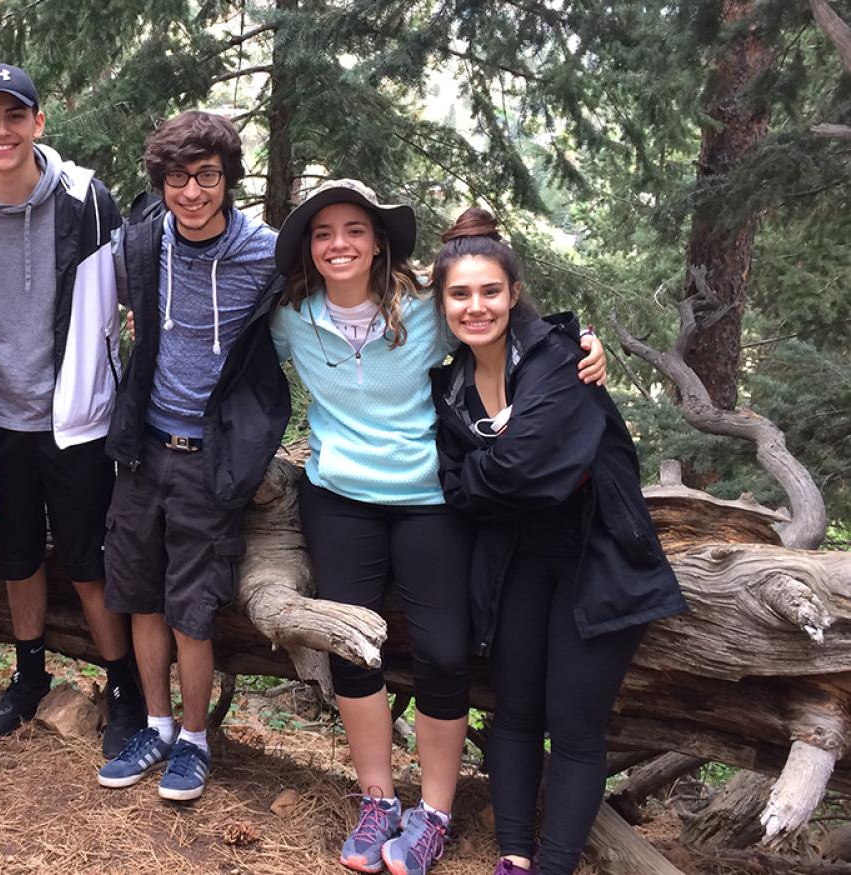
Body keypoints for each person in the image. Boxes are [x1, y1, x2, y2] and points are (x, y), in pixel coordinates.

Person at [270, 180, 607, 875]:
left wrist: (585, 344)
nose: (340, 243)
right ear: (309, 245)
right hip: (338, 498)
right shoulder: (290, 316)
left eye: (355, 229)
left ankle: (435, 813)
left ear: (378, 240)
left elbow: (502, 318)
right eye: (325, 231)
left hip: (433, 498)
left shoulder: (425, 304)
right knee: (352, 647)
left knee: (447, 652)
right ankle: (377, 800)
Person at [429, 209, 685, 875]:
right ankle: (514, 855)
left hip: (598, 558)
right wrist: (498, 469)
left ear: (514, 293)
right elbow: (462, 487)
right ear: (442, 302)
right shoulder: (451, 384)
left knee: (573, 724)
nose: (475, 305)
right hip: (515, 560)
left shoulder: (560, 359)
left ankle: (555, 864)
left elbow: (528, 475)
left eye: (490, 291)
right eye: (460, 293)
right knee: (513, 709)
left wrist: (489, 472)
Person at [0, 63, 145, 756]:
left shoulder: (88, 202)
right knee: (15, 557)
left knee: (87, 561)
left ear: (39, 123)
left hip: (78, 417)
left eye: (15, 115)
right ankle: (29, 675)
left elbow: (137, 289)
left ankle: (125, 686)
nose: (1, 130)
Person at [96, 111, 289, 802]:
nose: (193, 192)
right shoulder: (144, 244)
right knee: (140, 594)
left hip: (212, 459)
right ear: (163, 183)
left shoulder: (267, 253)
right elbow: (97, 302)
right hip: (143, 450)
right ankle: (155, 722)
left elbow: (352, 287)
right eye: (178, 178)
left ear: (227, 178)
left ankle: (196, 738)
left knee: (193, 607)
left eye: (207, 176)